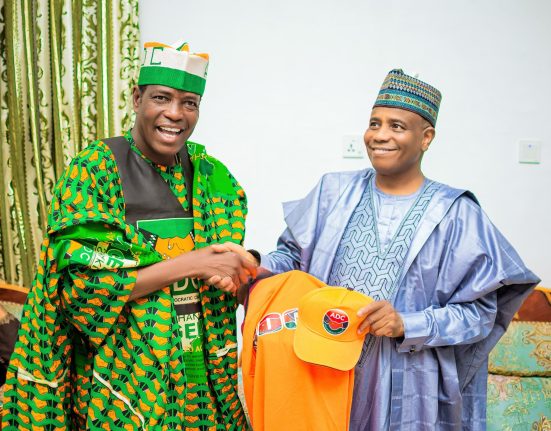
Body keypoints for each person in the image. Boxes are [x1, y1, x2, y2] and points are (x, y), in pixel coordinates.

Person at [230, 69, 540, 430]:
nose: (379, 135)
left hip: (409, 383)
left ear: (426, 138)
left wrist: (406, 323)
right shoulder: (333, 192)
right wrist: (254, 263)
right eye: (374, 123)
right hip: (324, 366)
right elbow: (291, 260)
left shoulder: (456, 213)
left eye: (397, 126)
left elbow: (479, 314)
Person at [2, 40, 256, 430]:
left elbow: (226, 264)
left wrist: (236, 267)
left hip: (199, 370)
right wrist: (194, 262)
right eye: (161, 98)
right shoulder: (96, 169)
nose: (175, 113)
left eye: (189, 103)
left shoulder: (212, 176)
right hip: (124, 376)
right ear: (137, 98)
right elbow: (84, 290)